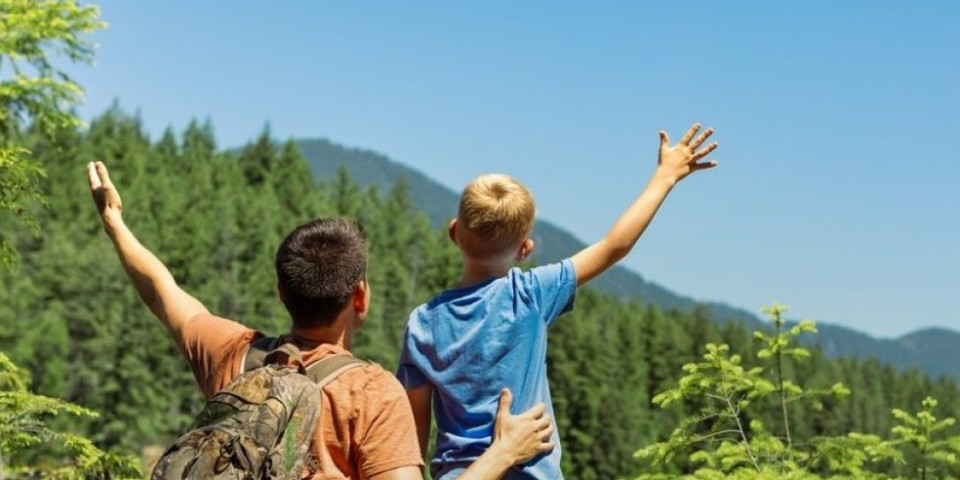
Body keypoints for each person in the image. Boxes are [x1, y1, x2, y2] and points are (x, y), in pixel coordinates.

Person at [87, 161, 555, 480]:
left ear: (281, 293)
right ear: (360, 297)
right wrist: (503, 454)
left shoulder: (235, 354)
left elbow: (164, 294)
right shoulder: (372, 394)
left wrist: (115, 224)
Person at [396, 123, 719, 479]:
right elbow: (614, 246)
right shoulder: (530, 294)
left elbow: (412, 441)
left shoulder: (422, 323)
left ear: (454, 231)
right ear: (525, 249)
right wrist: (665, 177)